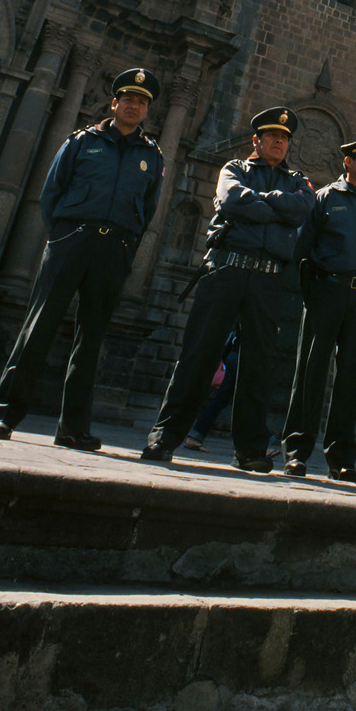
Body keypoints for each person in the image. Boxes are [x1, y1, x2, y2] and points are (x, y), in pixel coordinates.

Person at [0, 68, 164, 451]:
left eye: (142, 102)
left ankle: (73, 428)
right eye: (128, 99)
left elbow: (148, 210)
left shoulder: (152, 154)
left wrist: (126, 245)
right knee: (40, 326)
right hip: (72, 241)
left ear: (147, 110)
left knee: (91, 339)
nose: (134, 106)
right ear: (114, 103)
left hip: (113, 250)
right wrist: (64, 235)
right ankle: (4, 416)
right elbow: (51, 192)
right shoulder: (82, 142)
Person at [141, 107, 314, 472]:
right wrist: (277, 207)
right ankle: (165, 436)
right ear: (257, 141)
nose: (279, 142)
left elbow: (301, 209)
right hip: (226, 271)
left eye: (284, 138)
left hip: (268, 279)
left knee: (258, 366)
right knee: (198, 356)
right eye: (272, 136)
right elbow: (234, 199)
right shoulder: (233, 170)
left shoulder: (298, 181)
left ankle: (250, 450)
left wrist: (260, 205)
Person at [282, 134, 356, 482]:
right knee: (310, 371)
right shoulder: (325, 198)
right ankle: (297, 453)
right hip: (327, 292)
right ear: (348, 162)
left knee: (350, 378)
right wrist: (314, 294)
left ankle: (341, 459)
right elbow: (303, 249)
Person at [183, 334, 239, 450]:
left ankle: (196, 435)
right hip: (239, 360)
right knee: (245, 401)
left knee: (221, 400)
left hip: (233, 358)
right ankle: (261, 443)